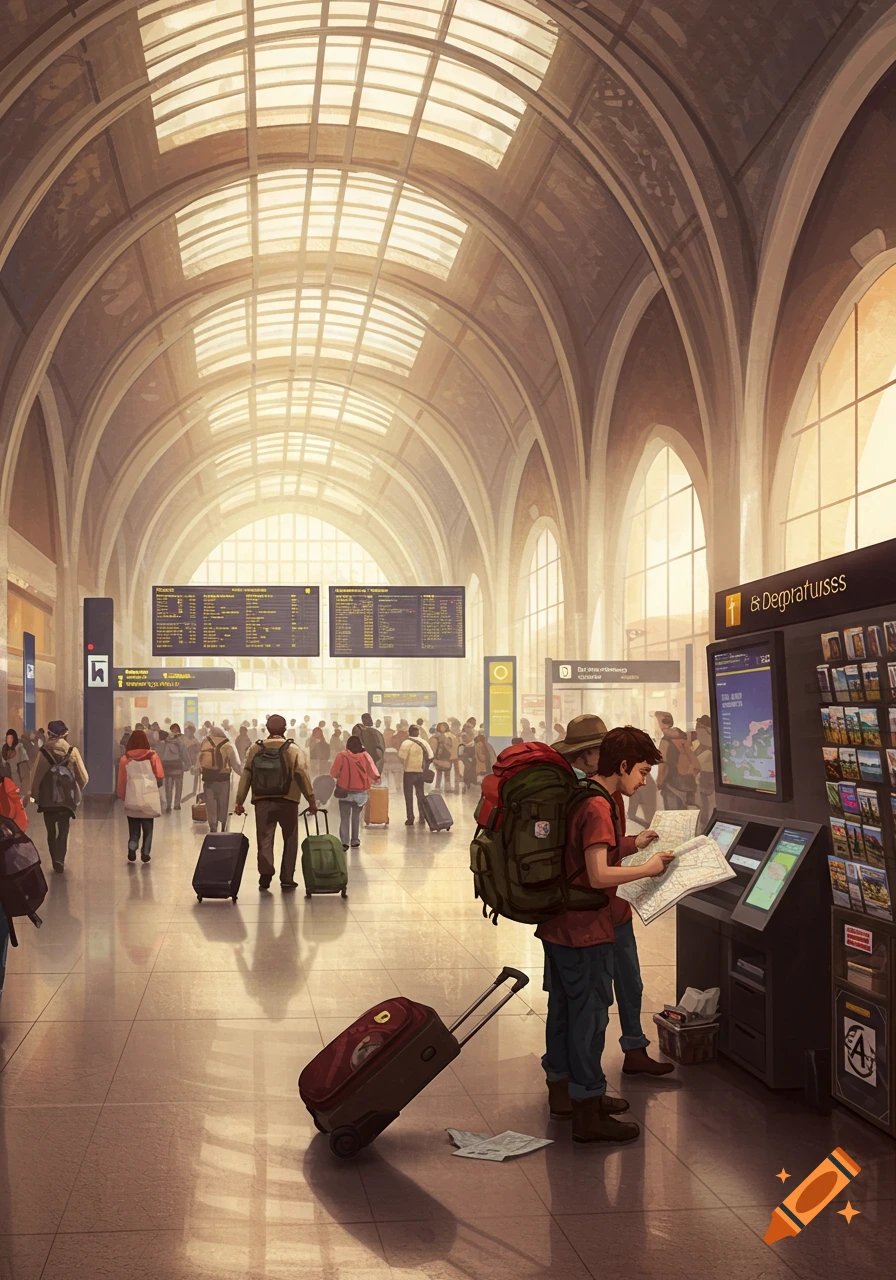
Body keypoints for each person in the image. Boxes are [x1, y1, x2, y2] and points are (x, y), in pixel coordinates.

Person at [537, 718, 675, 1144]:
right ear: (624, 765)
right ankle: (587, 1110)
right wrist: (648, 868)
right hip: (585, 929)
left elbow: (585, 856)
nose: (644, 781)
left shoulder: (583, 793)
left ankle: (575, 1097)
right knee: (589, 1019)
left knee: (566, 1011)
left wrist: (633, 845)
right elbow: (597, 874)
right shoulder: (598, 805)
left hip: (560, 924)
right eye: (643, 771)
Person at [234, 714, 317, 891]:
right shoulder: (293, 749)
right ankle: (287, 877)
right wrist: (311, 798)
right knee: (290, 839)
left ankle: (265, 874)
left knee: (264, 838)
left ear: (267, 728)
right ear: (285, 729)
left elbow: (246, 774)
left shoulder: (255, 749)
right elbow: (302, 774)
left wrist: (239, 801)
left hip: (262, 801)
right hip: (289, 800)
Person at [31, 720, 89, 872]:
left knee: (51, 832)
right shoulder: (72, 751)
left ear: (49, 734)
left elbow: (35, 778)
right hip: (66, 801)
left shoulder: (43, 752)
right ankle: (60, 860)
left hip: (47, 801)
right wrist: (75, 789)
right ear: (65, 735)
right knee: (63, 831)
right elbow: (84, 777)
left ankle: (54, 859)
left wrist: (35, 797)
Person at [118, 728, 164, 862]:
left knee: (133, 829)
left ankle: (132, 849)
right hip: (148, 797)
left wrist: (123, 796)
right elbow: (160, 774)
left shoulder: (125, 759)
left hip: (132, 797)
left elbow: (122, 780)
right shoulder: (153, 757)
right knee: (148, 828)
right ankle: (145, 853)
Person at [330, 734, 380, 850]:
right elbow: (373, 770)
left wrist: (341, 776)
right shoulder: (365, 755)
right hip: (360, 792)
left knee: (344, 817)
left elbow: (333, 773)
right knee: (356, 816)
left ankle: (344, 842)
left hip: (344, 791)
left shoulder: (341, 755)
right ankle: (355, 840)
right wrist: (376, 779)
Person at [197, 725, 240, 833]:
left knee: (210, 805)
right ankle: (223, 827)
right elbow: (235, 765)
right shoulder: (227, 745)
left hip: (208, 779)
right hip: (223, 779)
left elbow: (199, 760)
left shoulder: (205, 743)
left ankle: (213, 827)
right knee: (223, 804)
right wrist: (246, 776)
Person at [658, 720, 698, 810]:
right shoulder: (685, 742)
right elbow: (696, 766)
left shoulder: (665, 741)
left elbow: (662, 763)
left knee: (673, 815)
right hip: (689, 786)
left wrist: (660, 780)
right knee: (688, 815)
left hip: (672, 786)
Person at [398, 724, 432, 825]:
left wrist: (406, 764)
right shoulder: (424, 742)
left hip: (409, 772)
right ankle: (422, 816)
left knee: (408, 796)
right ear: (418, 732)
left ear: (409, 732)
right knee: (420, 794)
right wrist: (424, 766)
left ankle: (410, 818)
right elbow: (431, 756)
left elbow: (401, 757)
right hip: (420, 772)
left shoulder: (406, 743)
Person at [158, 725, 191, 811]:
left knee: (168, 787)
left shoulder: (164, 743)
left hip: (167, 767)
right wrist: (187, 764)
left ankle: (168, 805)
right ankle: (177, 804)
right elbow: (184, 753)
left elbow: (160, 754)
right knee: (179, 786)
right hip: (178, 766)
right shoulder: (178, 742)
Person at [693, 715, 715, 833]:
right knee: (704, 805)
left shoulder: (707, 748)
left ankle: (706, 828)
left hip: (708, 777)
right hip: (703, 777)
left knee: (706, 805)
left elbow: (695, 763)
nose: (698, 734)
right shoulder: (700, 746)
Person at [1, 729, 31, 801]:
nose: (9, 740)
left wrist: (23, 792)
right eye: (8, 738)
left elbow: (25, 774)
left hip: (17, 784)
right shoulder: (4, 750)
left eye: (11, 738)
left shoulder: (20, 750)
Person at [431, 722, 458, 792]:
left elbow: (451, 744)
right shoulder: (436, 735)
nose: (443, 728)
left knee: (447, 772)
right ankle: (437, 787)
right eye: (441, 727)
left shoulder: (449, 735)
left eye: (444, 727)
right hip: (439, 755)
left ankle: (447, 787)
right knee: (439, 772)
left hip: (447, 755)